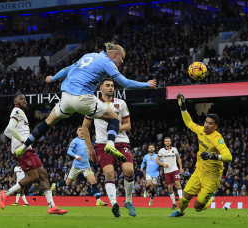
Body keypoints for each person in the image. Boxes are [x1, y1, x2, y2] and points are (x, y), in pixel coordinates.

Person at [14, 43, 157, 164]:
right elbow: (125, 83)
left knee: (49, 121)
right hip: (83, 97)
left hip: (66, 97)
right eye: (122, 58)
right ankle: (110, 144)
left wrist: (52, 79)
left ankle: (24, 146)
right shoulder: (107, 62)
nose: (122, 61)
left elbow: (68, 68)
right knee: (114, 117)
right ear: (114, 54)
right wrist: (146, 84)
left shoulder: (89, 55)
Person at [1, 94, 68, 215]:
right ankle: (6, 193)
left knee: (43, 174)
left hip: (27, 149)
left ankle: (52, 206)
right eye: (21, 99)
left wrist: (19, 140)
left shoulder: (20, 112)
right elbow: (11, 128)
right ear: (15, 101)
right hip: (22, 149)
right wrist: (22, 141)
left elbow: (6, 131)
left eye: (25, 99)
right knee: (33, 177)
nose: (24, 101)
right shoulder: (16, 110)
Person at [169, 93, 232, 217]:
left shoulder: (217, 138)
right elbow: (189, 122)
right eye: (206, 122)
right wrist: (183, 108)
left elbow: (228, 156)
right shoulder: (200, 130)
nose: (206, 125)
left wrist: (213, 156)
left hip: (212, 177)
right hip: (199, 172)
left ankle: (210, 199)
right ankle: (181, 212)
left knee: (197, 207)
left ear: (216, 126)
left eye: (210, 123)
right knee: (183, 199)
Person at [82, 78, 136, 217]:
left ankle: (128, 201)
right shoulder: (93, 104)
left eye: (112, 85)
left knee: (129, 170)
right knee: (109, 172)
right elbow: (85, 127)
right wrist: (89, 148)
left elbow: (128, 125)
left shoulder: (121, 103)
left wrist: (113, 130)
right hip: (102, 144)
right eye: (107, 85)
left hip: (121, 142)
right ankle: (114, 204)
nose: (111, 88)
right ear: (101, 88)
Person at [51, 126, 108, 207]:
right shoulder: (75, 140)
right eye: (79, 130)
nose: (81, 131)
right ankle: (55, 185)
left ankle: (98, 200)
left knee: (94, 181)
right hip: (76, 166)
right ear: (77, 132)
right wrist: (76, 156)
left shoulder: (88, 141)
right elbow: (69, 151)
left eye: (82, 130)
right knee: (68, 183)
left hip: (86, 166)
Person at [156, 137, 183, 210]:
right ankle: (174, 203)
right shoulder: (161, 151)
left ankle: (181, 199)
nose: (168, 142)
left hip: (175, 170)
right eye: (166, 141)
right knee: (170, 188)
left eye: (169, 141)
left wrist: (180, 167)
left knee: (178, 183)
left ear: (170, 142)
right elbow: (157, 160)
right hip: (167, 171)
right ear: (164, 142)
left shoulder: (174, 149)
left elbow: (178, 158)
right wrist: (163, 164)